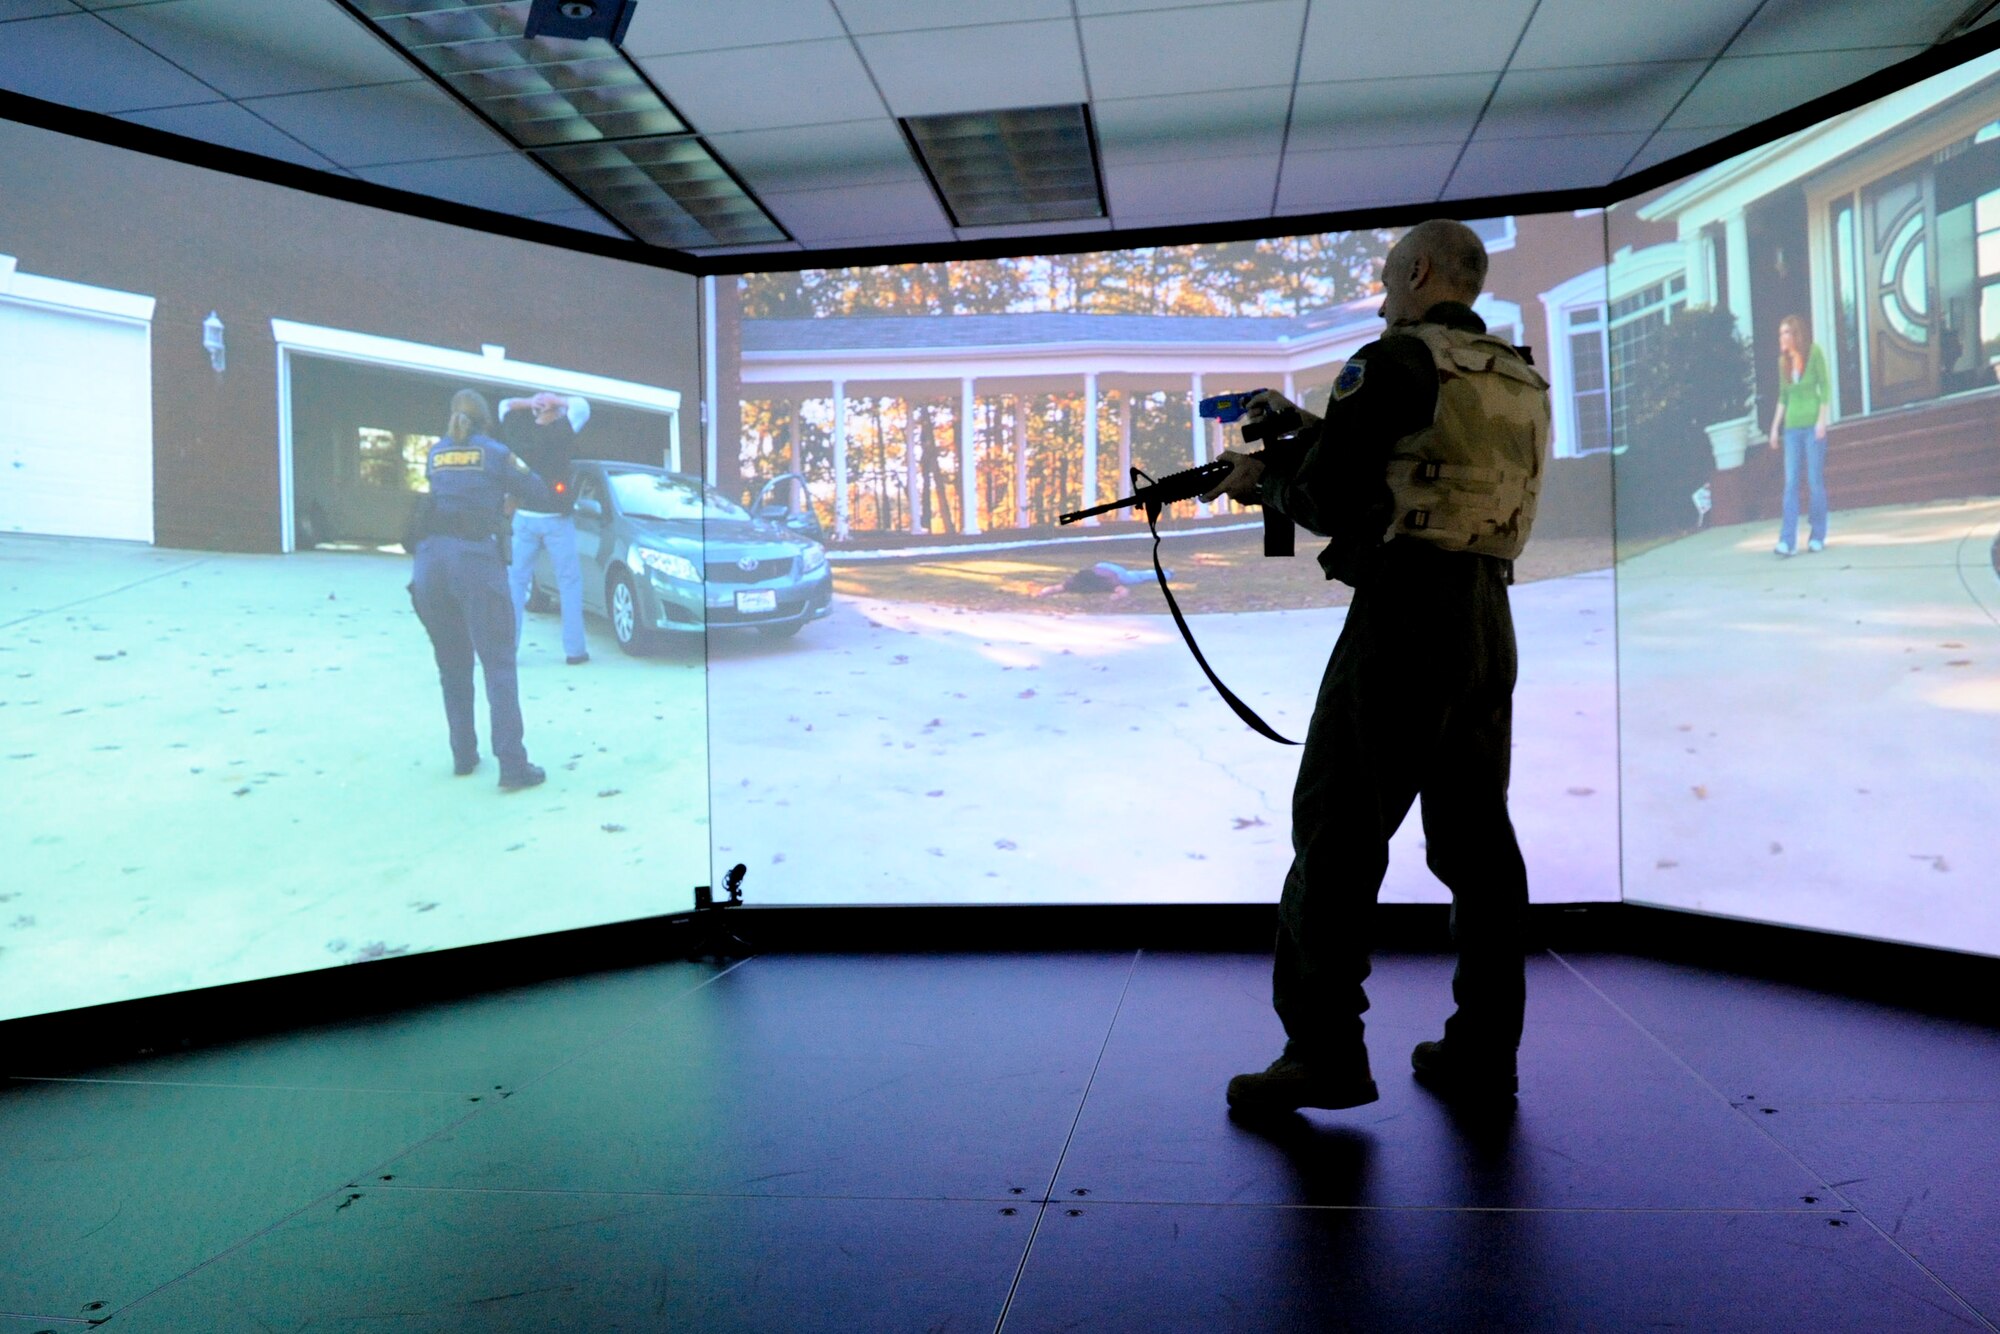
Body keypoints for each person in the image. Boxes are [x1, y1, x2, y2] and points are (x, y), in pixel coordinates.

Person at [1198, 218, 1552, 1114]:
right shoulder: (1514, 372)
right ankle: (1482, 1050)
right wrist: (1315, 430)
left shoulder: (1392, 359)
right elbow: (1419, 462)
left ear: (1421, 269)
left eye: (1390, 276)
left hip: (1404, 617)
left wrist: (1262, 483)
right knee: (1477, 846)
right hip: (1485, 618)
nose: (1381, 293)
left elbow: (1329, 495)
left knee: (1337, 834)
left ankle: (1323, 1052)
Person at [408, 389, 556, 791]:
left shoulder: (435, 453)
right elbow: (540, 490)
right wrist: (508, 498)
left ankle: (463, 755)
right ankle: (512, 765)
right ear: (485, 421)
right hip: (475, 563)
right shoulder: (494, 452)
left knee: (452, 665)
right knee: (499, 664)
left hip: (429, 566)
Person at [500, 390, 592, 663]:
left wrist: (530, 402)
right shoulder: (563, 430)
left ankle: (509, 649)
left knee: (516, 582)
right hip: (556, 519)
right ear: (553, 412)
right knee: (569, 583)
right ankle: (575, 651)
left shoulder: (518, 433)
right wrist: (557, 401)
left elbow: (505, 405)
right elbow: (583, 406)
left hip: (525, 515)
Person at [1766, 314, 1831, 556]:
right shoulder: (1781, 363)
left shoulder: (1814, 353)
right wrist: (1775, 428)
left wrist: (1822, 421)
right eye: (1780, 333)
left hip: (1813, 427)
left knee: (1815, 482)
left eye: (1785, 333)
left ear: (1795, 335)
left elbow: (1824, 387)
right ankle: (1787, 541)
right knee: (1791, 483)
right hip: (1792, 430)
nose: (1781, 338)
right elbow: (1784, 397)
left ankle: (1818, 535)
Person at [1030, 560, 1171, 600]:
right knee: (1137, 574)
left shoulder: (1104, 582)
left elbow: (1123, 590)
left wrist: (1115, 596)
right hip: (1101, 565)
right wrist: (1042, 593)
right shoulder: (1074, 583)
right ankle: (1166, 573)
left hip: (1116, 573)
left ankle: (1166, 574)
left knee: (1135, 577)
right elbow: (1055, 589)